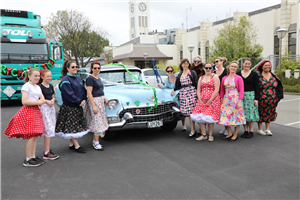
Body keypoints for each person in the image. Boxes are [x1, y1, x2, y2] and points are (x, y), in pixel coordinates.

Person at [4, 68, 45, 167]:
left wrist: (40, 101)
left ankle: (33, 156)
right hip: (28, 112)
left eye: (38, 76)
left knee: (35, 135)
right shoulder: (26, 86)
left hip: (36, 111)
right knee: (31, 135)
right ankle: (28, 159)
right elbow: (24, 102)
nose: (37, 77)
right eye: (35, 76)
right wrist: (38, 102)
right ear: (29, 76)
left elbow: (42, 98)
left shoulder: (38, 87)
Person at [55, 60, 89, 153]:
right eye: (73, 67)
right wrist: (79, 101)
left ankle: (71, 144)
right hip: (70, 107)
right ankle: (77, 146)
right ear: (68, 68)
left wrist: (84, 99)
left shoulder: (77, 78)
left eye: (76, 66)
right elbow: (69, 95)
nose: (75, 68)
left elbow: (83, 90)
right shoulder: (65, 80)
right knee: (72, 128)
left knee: (73, 127)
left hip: (77, 106)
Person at [191, 62, 221, 142]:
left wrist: (210, 100)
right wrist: (200, 99)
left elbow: (217, 89)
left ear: (212, 69)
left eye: (209, 68)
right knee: (199, 116)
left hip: (212, 99)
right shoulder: (201, 78)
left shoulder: (215, 76)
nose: (208, 69)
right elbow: (198, 89)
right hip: (202, 100)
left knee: (209, 118)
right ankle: (204, 134)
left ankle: (210, 135)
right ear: (203, 68)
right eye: (206, 68)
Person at [219, 61, 246, 141]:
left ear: (236, 68)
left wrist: (240, 101)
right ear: (229, 67)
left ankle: (235, 134)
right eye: (232, 66)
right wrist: (221, 99)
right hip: (226, 99)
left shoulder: (238, 78)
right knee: (225, 116)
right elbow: (222, 90)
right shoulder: (224, 78)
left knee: (236, 117)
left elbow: (241, 90)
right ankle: (229, 133)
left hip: (235, 99)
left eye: (235, 67)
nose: (233, 68)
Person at [171, 58, 198, 138]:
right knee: (188, 113)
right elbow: (177, 86)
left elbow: (196, 83)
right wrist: (173, 89)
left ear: (188, 64)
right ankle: (193, 130)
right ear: (181, 65)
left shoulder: (192, 72)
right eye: (184, 64)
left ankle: (193, 130)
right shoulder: (180, 74)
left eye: (187, 63)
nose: (185, 65)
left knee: (192, 113)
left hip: (191, 93)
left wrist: (197, 94)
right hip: (183, 93)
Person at [84, 62, 108, 151]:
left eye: (98, 68)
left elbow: (99, 90)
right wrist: (93, 106)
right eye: (95, 68)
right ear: (92, 69)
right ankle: (96, 143)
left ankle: (96, 141)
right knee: (97, 122)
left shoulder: (98, 78)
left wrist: (104, 97)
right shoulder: (90, 79)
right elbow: (89, 93)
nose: (97, 69)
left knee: (100, 121)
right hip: (95, 101)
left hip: (100, 101)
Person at [256, 60, 283, 136]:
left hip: (273, 99)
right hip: (261, 99)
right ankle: (260, 129)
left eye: (269, 65)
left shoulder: (274, 75)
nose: (267, 67)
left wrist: (278, 97)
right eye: (265, 65)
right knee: (260, 112)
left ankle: (267, 129)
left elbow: (279, 86)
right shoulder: (258, 76)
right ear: (262, 67)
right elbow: (256, 87)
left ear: (271, 66)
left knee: (270, 112)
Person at [38, 70, 59, 160]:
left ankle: (47, 150)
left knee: (51, 127)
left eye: (50, 76)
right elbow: (40, 98)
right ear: (42, 77)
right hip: (44, 108)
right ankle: (46, 152)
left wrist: (52, 100)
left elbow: (53, 95)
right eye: (47, 76)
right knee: (48, 128)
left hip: (51, 107)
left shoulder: (50, 85)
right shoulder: (39, 87)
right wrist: (47, 101)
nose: (49, 78)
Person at [158, 66, 187, 131]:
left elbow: (180, 85)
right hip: (173, 96)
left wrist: (174, 89)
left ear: (173, 71)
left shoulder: (177, 77)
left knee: (182, 110)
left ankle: (184, 125)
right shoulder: (166, 79)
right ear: (166, 72)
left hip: (179, 94)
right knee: (176, 110)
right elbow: (166, 87)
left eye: (171, 71)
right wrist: (160, 87)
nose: (170, 72)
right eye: (168, 71)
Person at [236, 58, 259, 138]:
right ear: (242, 64)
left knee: (250, 114)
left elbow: (256, 86)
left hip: (250, 95)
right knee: (243, 113)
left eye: (249, 64)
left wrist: (256, 98)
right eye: (246, 63)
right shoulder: (238, 73)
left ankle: (251, 131)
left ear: (250, 64)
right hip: (241, 96)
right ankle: (245, 130)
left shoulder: (254, 74)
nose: (247, 65)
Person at [214, 57, 229, 136]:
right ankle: (224, 127)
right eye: (215, 61)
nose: (215, 63)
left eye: (217, 61)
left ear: (222, 62)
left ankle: (227, 129)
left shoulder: (226, 71)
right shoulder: (215, 72)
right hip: (216, 93)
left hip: (225, 93)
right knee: (220, 111)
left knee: (225, 111)